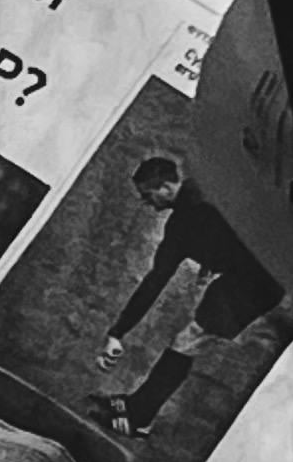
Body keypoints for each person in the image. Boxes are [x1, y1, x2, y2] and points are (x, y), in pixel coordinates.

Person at [94, 150, 282, 438]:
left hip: (254, 283)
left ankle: (141, 418)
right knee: (185, 341)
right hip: (252, 276)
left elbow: (154, 282)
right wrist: (214, 261)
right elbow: (230, 232)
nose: (147, 203)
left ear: (166, 187)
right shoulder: (210, 187)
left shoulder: (184, 223)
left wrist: (118, 332)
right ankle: (137, 405)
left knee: (186, 341)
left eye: (148, 195)